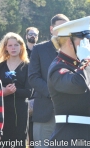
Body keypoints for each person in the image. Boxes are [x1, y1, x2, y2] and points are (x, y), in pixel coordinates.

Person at [47, 16, 90, 147]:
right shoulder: (58, 67)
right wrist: (87, 60)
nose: (88, 44)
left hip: (86, 136)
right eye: (84, 40)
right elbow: (78, 85)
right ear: (70, 42)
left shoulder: (77, 66)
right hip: (68, 138)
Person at [28, 14, 69, 148]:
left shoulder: (75, 49)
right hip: (44, 111)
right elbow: (33, 77)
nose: (63, 30)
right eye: (60, 27)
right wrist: (53, 93)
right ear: (51, 29)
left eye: (66, 27)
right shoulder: (39, 49)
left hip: (68, 112)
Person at [0, 32, 32, 148]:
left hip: (20, 112)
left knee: (19, 142)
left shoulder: (27, 66)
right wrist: (4, 92)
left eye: (16, 45)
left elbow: (29, 92)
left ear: (21, 46)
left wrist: (15, 91)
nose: (13, 48)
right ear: (5, 47)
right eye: (10, 45)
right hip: (2, 112)